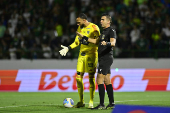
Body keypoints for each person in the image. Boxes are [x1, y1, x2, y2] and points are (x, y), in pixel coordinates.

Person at [59, 13, 100, 108]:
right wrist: (68, 48)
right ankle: (81, 101)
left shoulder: (94, 28)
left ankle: (91, 101)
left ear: (84, 20)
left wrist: (87, 40)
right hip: (81, 56)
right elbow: (77, 41)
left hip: (91, 55)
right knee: (78, 78)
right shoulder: (80, 28)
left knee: (91, 78)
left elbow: (98, 42)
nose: (77, 24)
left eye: (78, 22)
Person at [76, 13, 116, 110]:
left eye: (102, 19)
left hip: (106, 58)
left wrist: (107, 43)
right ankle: (111, 103)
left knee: (99, 80)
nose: (100, 21)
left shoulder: (111, 30)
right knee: (107, 80)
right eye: (100, 19)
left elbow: (113, 43)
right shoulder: (103, 32)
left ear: (108, 21)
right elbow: (95, 41)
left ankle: (101, 104)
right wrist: (84, 37)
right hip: (103, 58)